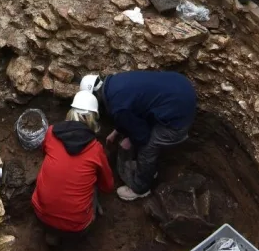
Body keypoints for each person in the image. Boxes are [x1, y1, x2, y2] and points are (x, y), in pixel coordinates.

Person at [81, 70, 197, 202]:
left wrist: (131, 139)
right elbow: (135, 106)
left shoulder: (118, 108)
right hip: (180, 87)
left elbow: (142, 136)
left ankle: (140, 188)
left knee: (147, 147)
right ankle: (149, 171)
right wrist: (117, 131)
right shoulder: (115, 83)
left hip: (178, 116)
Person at [32, 91, 114, 246]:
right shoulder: (96, 149)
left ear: (70, 112)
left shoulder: (50, 132)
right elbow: (108, 186)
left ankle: (52, 234)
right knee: (93, 181)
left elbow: (44, 151)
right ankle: (70, 234)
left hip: (40, 214)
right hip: (76, 227)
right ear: (93, 118)